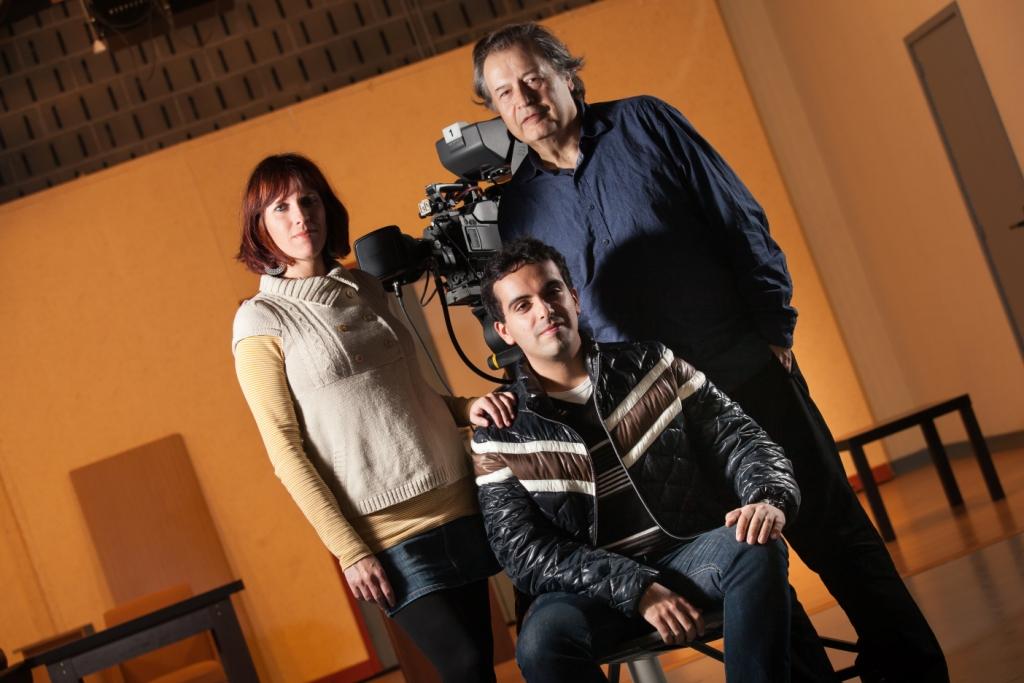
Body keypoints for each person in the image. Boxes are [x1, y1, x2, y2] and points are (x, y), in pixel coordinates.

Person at [471, 22, 947, 682]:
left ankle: (915, 668)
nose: (522, 97)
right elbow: (532, 310)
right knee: (751, 558)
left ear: (566, 75)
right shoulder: (520, 204)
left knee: (830, 529)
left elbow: (739, 219)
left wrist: (774, 330)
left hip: (739, 368)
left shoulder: (647, 125)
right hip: (657, 421)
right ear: (495, 111)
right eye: (503, 92)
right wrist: (512, 391)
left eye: (532, 78)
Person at [472, 238, 833, 682]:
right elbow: (524, 552)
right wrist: (636, 588)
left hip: (687, 555)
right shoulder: (498, 433)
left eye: (551, 292)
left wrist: (767, 496)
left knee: (756, 545)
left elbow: (741, 437)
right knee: (541, 641)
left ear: (574, 298)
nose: (544, 311)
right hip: (587, 592)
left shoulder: (651, 365)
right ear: (504, 330)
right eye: (523, 305)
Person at [231, 153, 516, 682]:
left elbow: (411, 395)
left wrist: (465, 408)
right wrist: (347, 550)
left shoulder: (366, 286)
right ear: (260, 227)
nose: (300, 216)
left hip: (456, 498)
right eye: (281, 207)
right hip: (385, 532)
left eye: (309, 200)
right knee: (464, 664)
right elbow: (284, 449)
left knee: (486, 661)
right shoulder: (260, 320)